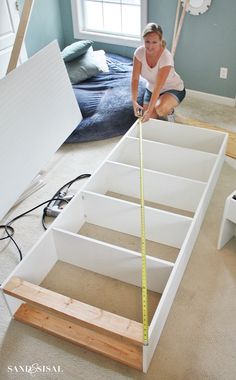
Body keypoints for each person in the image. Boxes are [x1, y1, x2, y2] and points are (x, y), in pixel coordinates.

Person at [131, 22, 186, 122]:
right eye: (147, 42)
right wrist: (134, 101)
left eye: (154, 42)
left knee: (160, 109)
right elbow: (135, 78)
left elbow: (158, 87)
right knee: (148, 118)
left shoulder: (166, 57)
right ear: (143, 40)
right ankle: (158, 106)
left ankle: (170, 111)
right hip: (151, 89)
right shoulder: (139, 53)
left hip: (173, 88)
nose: (150, 46)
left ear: (160, 41)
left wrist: (150, 109)